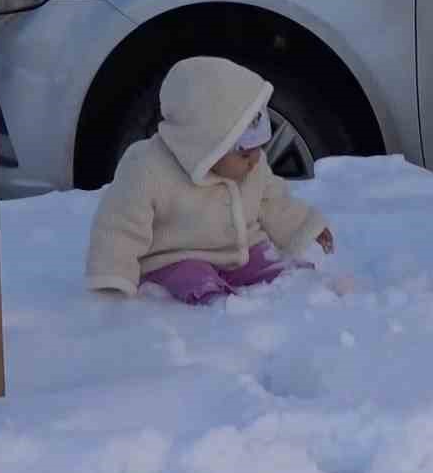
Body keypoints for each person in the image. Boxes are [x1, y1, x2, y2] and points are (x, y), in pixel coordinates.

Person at [84, 56, 334, 304]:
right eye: (246, 153)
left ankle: (298, 289)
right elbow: (121, 225)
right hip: (178, 258)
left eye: (260, 148)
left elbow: (275, 202)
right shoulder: (147, 166)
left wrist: (304, 225)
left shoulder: (253, 167)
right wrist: (113, 276)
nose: (256, 159)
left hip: (242, 254)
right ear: (206, 146)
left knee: (278, 270)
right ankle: (216, 308)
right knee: (192, 278)